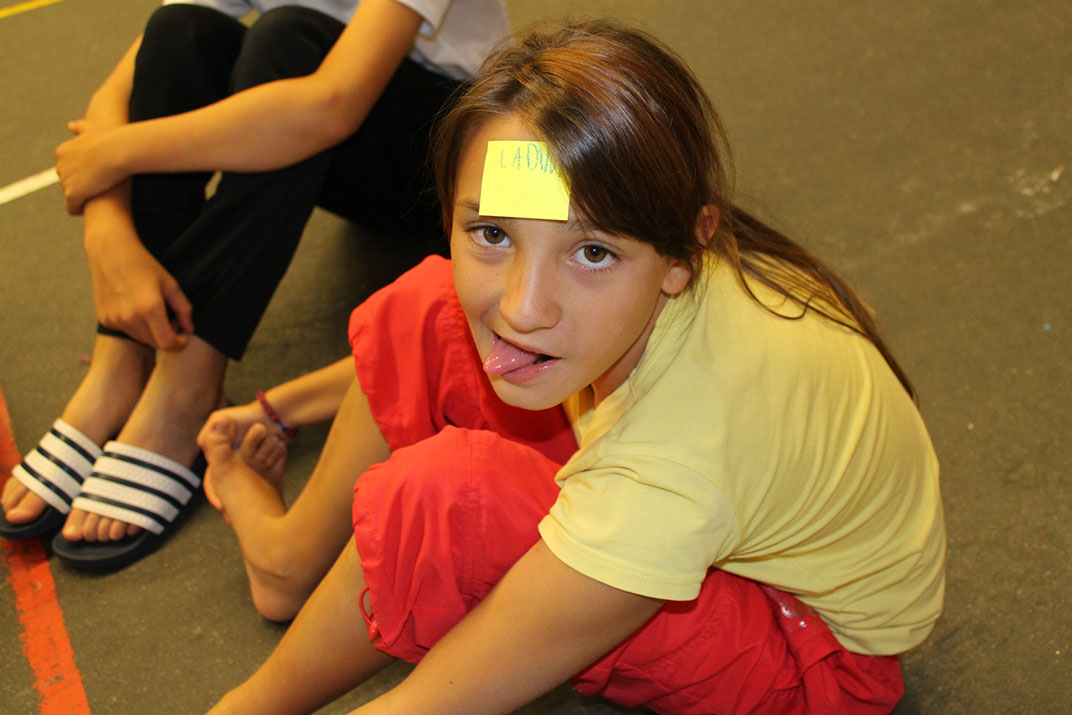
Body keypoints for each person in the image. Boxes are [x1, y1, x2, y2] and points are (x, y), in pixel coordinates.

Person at [199, 19, 946, 714]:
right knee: (431, 305)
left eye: (592, 252)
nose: (523, 307)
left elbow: (424, 705)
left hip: (810, 653)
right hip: (715, 500)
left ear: (684, 253)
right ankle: (289, 563)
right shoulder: (667, 274)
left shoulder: (669, 468)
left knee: (451, 502)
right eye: (492, 233)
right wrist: (282, 405)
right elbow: (454, 333)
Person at [0, 0, 509, 570]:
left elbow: (332, 104)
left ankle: (187, 386)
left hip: (449, 161)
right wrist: (110, 236)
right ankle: (120, 361)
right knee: (180, 33)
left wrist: (112, 156)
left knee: (289, 42)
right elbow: (116, 97)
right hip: (334, 138)